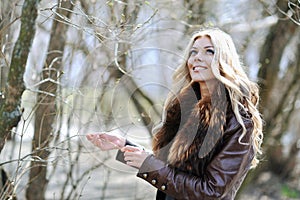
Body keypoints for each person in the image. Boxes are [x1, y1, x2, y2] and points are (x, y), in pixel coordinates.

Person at [86, 27, 263, 200]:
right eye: (193, 52)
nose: (197, 58)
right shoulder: (184, 109)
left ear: (224, 60)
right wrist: (124, 145)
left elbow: (211, 191)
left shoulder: (238, 122)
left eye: (209, 51)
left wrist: (148, 164)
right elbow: (170, 171)